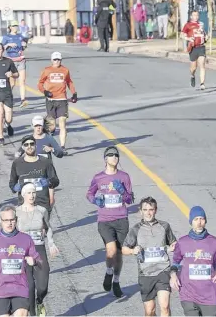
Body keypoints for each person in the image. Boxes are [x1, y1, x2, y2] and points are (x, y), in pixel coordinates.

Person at [86, 146, 134, 298]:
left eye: (116, 155)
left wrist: (123, 192)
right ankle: (108, 272)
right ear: (105, 159)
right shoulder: (99, 177)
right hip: (105, 220)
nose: (114, 157)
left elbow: (130, 198)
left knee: (119, 254)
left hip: (121, 219)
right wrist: (96, 200)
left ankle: (116, 281)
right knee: (111, 250)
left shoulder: (124, 176)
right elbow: (89, 193)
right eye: (111, 155)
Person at [0, 205, 41, 317]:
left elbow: (39, 261)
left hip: (20, 287)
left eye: (12, 220)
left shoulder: (26, 239)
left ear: (16, 220)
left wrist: (34, 261)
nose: (9, 223)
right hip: (0, 289)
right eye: (6, 220)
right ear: (0, 221)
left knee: (21, 315)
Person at [170, 206, 216, 316]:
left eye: (201, 219)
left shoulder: (215, 242)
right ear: (191, 222)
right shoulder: (182, 242)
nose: (199, 222)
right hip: (188, 295)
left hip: (209, 296)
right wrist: (173, 275)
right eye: (195, 219)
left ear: (205, 221)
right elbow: (175, 262)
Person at [122, 197, 177, 316]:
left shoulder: (164, 226)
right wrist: (132, 251)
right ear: (140, 211)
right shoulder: (136, 229)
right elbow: (124, 249)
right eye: (145, 209)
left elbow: (173, 242)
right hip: (145, 274)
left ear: (155, 210)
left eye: (151, 209)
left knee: (165, 307)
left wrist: (174, 246)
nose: (148, 213)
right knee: (149, 310)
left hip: (163, 271)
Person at [16, 183, 59, 316]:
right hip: (23, 251)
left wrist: (51, 243)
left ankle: (39, 300)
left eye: (34, 192)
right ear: (23, 195)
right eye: (28, 192)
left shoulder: (41, 210)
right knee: (29, 287)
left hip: (39, 248)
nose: (32, 195)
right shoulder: (16, 211)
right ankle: (33, 314)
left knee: (42, 285)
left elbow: (48, 227)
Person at [37, 51, 77, 155]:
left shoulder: (65, 70)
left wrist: (74, 93)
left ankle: (62, 147)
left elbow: (69, 82)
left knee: (62, 123)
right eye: (55, 59)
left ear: (61, 60)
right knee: (52, 126)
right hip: (51, 100)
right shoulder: (47, 70)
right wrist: (45, 92)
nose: (56, 61)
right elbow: (40, 83)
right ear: (51, 60)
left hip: (62, 100)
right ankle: (48, 139)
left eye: (58, 59)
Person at [10, 135, 60, 215]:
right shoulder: (17, 163)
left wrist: (48, 182)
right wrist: (15, 187)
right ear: (23, 147)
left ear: (35, 145)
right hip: (24, 204)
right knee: (26, 227)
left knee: (42, 226)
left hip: (42, 203)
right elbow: (12, 183)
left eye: (32, 144)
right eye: (26, 145)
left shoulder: (45, 161)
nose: (29, 146)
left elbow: (55, 180)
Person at [2, 21, 28, 108]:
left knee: (22, 81)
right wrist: (8, 44)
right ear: (10, 27)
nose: (16, 27)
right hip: (11, 61)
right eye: (14, 26)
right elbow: (1, 48)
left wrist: (24, 45)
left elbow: (24, 46)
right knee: (12, 83)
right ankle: (7, 98)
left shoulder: (20, 36)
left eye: (17, 26)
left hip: (20, 60)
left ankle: (23, 100)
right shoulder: (6, 37)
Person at [182, 11, 207, 90]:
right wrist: (188, 38)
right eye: (194, 15)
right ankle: (192, 75)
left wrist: (206, 37)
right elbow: (182, 34)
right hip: (193, 47)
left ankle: (202, 83)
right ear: (191, 16)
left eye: (197, 15)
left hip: (201, 47)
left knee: (202, 64)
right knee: (193, 67)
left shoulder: (201, 24)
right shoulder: (188, 25)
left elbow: (204, 33)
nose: (196, 17)